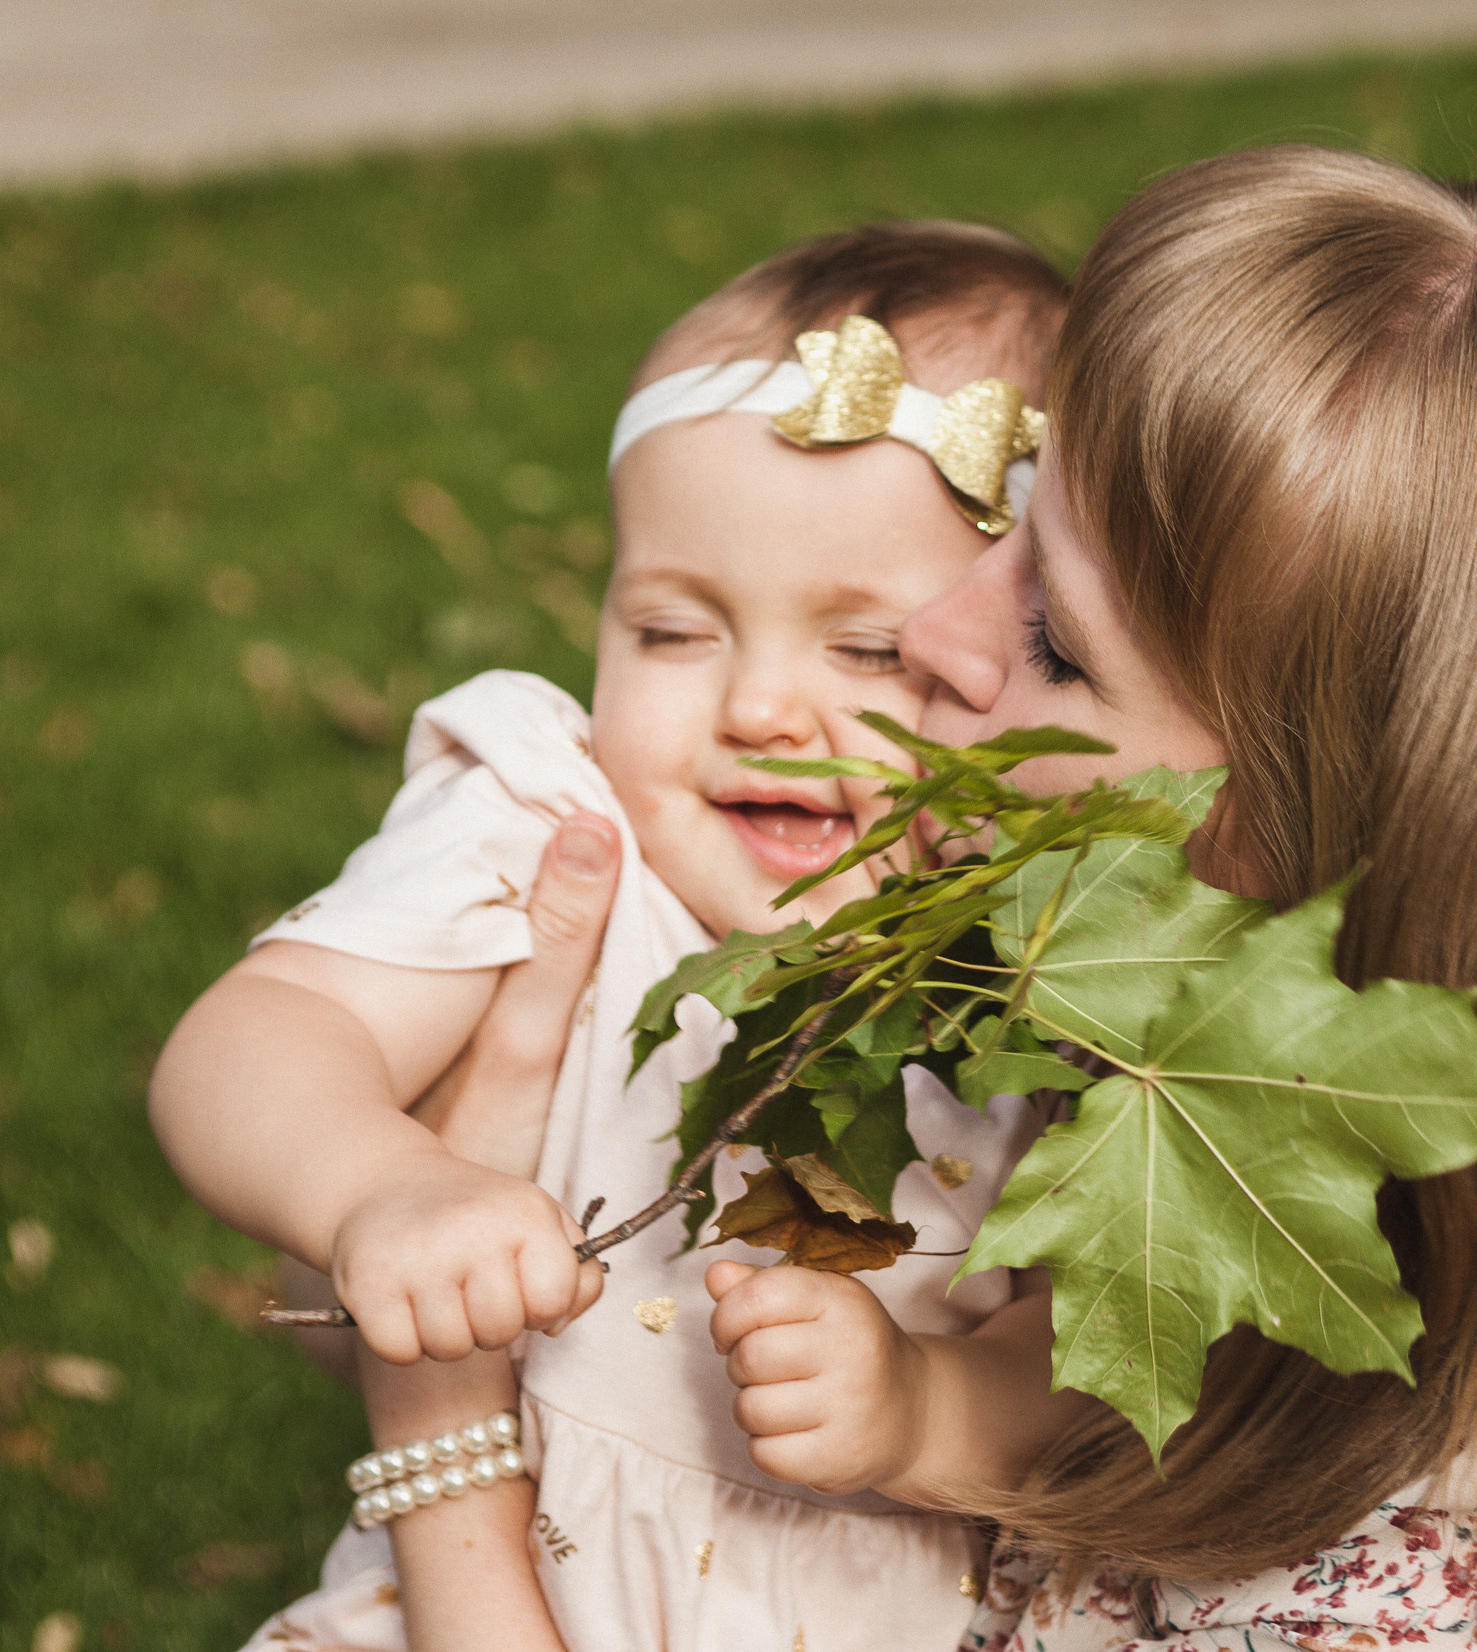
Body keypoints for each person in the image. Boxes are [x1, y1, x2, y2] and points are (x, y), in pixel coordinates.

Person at [487, 148, 1477, 1648]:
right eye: (1012, 526)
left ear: (1348, 898)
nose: (933, 633)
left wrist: (444, 1437)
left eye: (1059, 641)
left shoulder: (1405, 1599)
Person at [147, 222, 1071, 1652]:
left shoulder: (1042, 957)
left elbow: (1103, 1355)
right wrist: (381, 1184)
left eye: (868, 650)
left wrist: (923, 1405)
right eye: (675, 632)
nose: (758, 708)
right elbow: (257, 1038)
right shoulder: (552, 827)